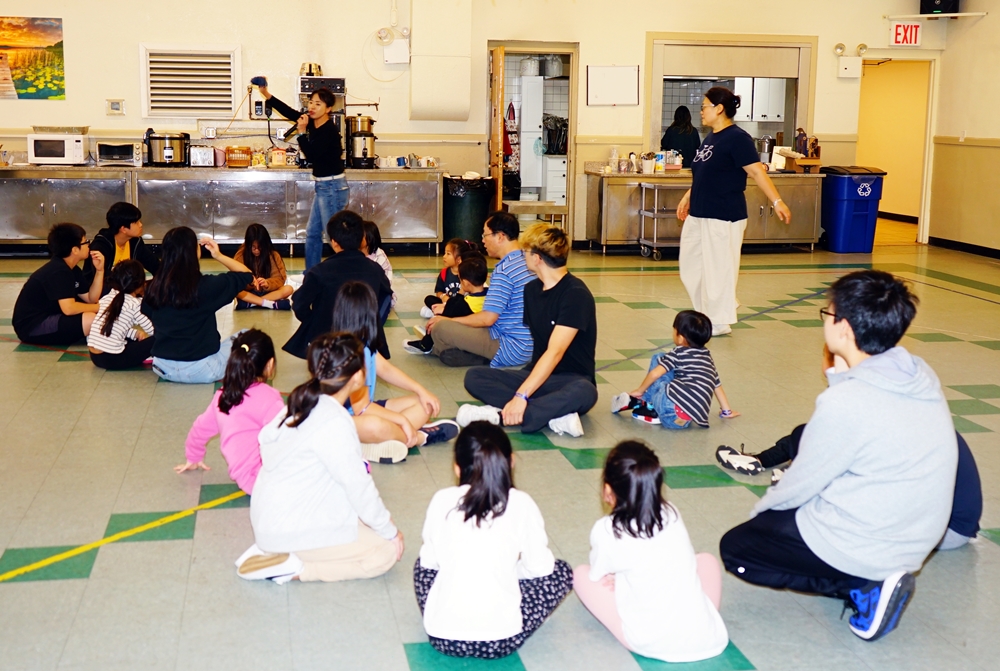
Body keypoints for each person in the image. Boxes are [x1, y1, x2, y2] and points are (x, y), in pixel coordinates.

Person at [719, 270, 957, 642]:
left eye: (827, 314)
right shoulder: (918, 374)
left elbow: (800, 484)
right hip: (920, 534)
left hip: (875, 542)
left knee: (737, 549)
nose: (824, 321)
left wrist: (762, 514)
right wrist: (841, 377)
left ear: (844, 328)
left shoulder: (846, 401)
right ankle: (871, 578)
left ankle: (864, 586)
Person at [236, 333, 404, 584]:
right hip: (289, 529)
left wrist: (378, 522)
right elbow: (358, 486)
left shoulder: (301, 401)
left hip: (272, 518)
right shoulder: (334, 421)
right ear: (357, 377)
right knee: (385, 552)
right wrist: (390, 532)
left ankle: (280, 555)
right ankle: (292, 569)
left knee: (367, 522)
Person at [414, 422, 573, 658]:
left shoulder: (441, 499)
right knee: (561, 571)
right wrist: (509, 570)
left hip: (443, 638)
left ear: (457, 468)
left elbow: (430, 563)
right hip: (501, 641)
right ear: (511, 462)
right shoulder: (521, 503)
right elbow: (540, 568)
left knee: (422, 565)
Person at [574, 441, 728, 663]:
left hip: (650, 642)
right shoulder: (671, 512)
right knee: (706, 560)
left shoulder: (607, 529)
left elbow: (597, 574)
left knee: (580, 574)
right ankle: (699, 620)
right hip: (709, 639)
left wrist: (617, 576)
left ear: (608, 490)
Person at [460, 223, 597, 437]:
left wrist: (521, 396)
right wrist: (525, 388)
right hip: (536, 373)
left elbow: (555, 353)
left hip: (570, 379)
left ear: (537, 258)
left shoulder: (575, 294)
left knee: (586, 391)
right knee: (474, 376)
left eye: (525, 251)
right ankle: (552, 414)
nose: (521, 255)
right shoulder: (531, 290)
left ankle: (500, 416)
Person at [676, 87, 792, 337]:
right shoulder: (711, 138)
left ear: (719, 109)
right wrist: (688, 196)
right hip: (700, 212)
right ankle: (708, 311)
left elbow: (757, 171)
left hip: (723, 214)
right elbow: (705, 173)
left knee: (719, 269)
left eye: (705, 106)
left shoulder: (738, 138)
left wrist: (777, 201)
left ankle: (719, 321)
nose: (701, 111)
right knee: (691, 266)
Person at [330, 281, 458, 464]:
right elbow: (361, 408)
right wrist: (402, 420)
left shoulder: (362, 343)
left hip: (367, 410)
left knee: (424, 404)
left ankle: (385, 439)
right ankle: (420, 437)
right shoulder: (346, 352)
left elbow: (386, 369)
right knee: (374, 425)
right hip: (346, 420)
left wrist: (420, 390)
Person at [175, 329, 285, 495]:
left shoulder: (223, 395)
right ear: (270, 365)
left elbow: (200, 429)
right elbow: (287, 438)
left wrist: (194, 457)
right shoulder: (269, 398)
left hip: (245, 479)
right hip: (268, 479)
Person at [140, 227, 253, 384]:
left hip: (162, 367)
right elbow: (246, 274)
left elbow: (147, 310)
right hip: (201, 369)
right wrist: (218, 255)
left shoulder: (153, 287)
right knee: (249, 336)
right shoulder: (206, 286)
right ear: (194, 252)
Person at [427, 211, 534, 368]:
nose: (483, 240)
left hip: (509, 346)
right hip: (533, 345)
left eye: (485, 235)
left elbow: (487, 319)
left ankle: (481, 357)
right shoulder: (529, 260)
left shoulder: (504, 270)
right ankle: (469, 354)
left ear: (500, 236)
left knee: (440, 328)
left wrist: (448, 320)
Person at [257, 83, 347, 271]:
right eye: (311, 102)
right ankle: (311, 273)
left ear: (328, 109)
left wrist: (300, 133)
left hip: (333, 188)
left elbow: (312, 155)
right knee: (313, 233)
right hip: (323, 187)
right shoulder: (312, 122)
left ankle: (348, 273)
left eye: (318, 104)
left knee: (334, 238)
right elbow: (288, 111)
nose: (312, 107)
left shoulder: (329, 131)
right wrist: (266, 93)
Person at [283, 210, 392, 360]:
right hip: (365, 337)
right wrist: (372, 320)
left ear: (334, 242)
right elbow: (386, 295)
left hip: (327, 342)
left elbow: (299, 304)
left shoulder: (319, 272)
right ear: (362, 238)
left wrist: (315, 322)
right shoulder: (375, 269)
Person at [610, 310, 738, 428]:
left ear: (680, 338)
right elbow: (716, 385)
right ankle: (652, 410)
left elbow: (655, 374)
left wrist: (640, 390)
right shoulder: (707, 358)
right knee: (673, 374)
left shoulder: (678, 352)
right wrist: (726, 411)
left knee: (659, 358)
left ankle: (644, 401)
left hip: (667, 408)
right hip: (685, 420)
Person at [13, 223, 104, 346]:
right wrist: (101, 308)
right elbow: (69, 309)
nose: (89, 245)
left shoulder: (72, 269)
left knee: (94, 315)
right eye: (86, 242)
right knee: (91, 319)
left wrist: (100, 271)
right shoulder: (58, 271)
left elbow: (91, 299)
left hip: (51, 316)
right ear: (75, 250)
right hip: (32, 326)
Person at [404, 255, 488, 355]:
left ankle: (426, 344)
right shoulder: (491, 295)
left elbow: (451, 308)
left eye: (460, 279)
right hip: (483, 334)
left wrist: (461, 292)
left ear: (465, 283)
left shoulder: (463, 303)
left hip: (465, 334)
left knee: (442, 316)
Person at [87, 260, 156, 370]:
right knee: (157, 339)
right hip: (113, 359)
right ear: (140, 282)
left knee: (132, 339)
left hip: (95, 357)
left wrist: (135, 333)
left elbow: (114, 326)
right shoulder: (135, 304)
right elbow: (153, 331)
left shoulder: (109, 296)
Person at [82, 202, 159, 290]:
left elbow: (156, 266)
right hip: (102, 293)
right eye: (136, 222)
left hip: (126, 291)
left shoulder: (135, 242)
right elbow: (98, 279)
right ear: (123, 229)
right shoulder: (101, 246)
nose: (141, 225)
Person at [233, 224, 293, 310]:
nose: (257, 250)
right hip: (249, 293)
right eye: (253, 247)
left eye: (260, 247)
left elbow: (280, 279)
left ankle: (252, 303)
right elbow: (236, 280)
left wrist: (267, 283)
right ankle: (270, 304)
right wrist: (250, 283)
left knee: (288, 289)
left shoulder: (273, 255)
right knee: (235, 290)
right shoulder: (240, 255)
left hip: (268, 293)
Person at [420, 238, 478, 319]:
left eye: (448, 254)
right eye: (445, 253)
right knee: (429, 299)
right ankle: (442, 312)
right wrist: (443, 297)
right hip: (446, 303)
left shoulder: (467, 273)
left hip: (462, 305)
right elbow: (438, 291)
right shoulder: (444, 273)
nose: (444, 256)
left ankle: (439, 313)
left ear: (458, 259)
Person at [361, 220, 396, 320]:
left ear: (370, 237)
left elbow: (386, 283)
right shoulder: (354, 253)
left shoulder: (379, 255)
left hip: (377, 292)